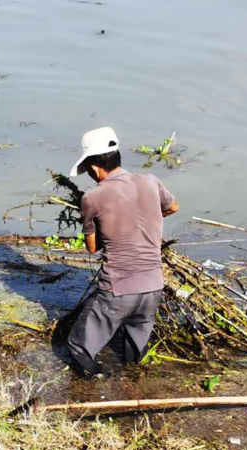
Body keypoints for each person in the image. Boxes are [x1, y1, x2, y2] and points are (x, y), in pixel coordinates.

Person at [64, 126, 180, 377]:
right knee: (135, 348)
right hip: (153, 287)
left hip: (118, 289)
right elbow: (173, 207)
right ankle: (133, 380)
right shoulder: (150, 180)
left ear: (95, 168)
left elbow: (93, 247)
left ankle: (92, 383)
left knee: (78, 345)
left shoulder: (93, 197)